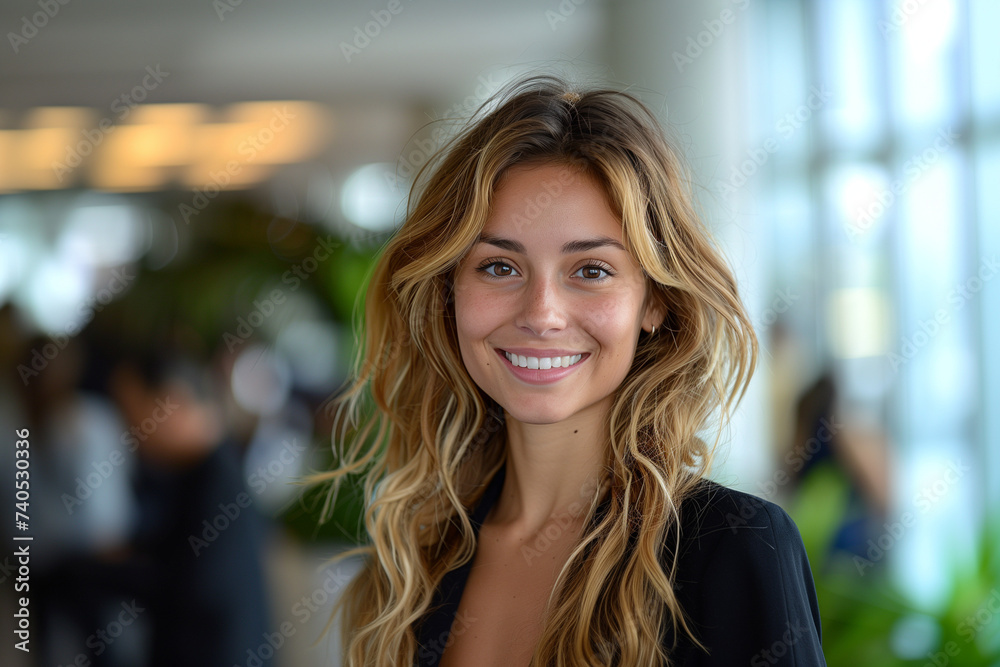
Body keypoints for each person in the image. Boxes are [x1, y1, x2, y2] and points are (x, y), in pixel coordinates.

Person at [318, 75, 826, 666]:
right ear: (448, 292)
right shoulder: (417, 562)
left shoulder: (733, 547)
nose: (542, 314)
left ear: (655, 300)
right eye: (500, 267)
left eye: (590, 271)